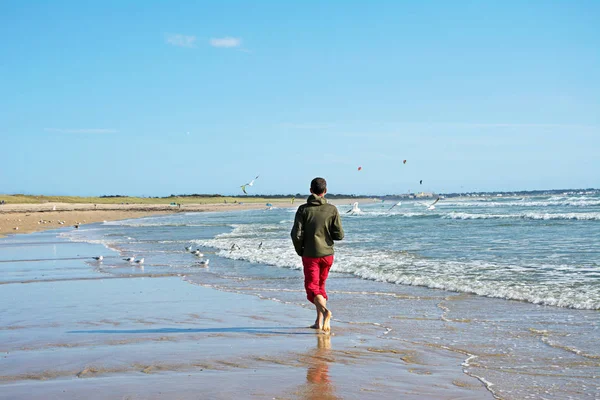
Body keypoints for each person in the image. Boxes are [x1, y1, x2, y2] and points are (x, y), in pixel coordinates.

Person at [291, 177, 344, 334]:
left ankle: (326, 312)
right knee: (320, 287)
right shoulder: (332, 209)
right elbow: (339, 235)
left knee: (312, 287)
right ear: (325, 191)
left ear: (310, 190)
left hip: (311, 254)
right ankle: (318, 322)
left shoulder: (303, 210)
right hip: (328, 254)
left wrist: (300, 250)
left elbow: (296, 234)